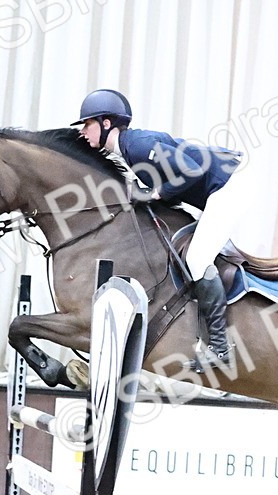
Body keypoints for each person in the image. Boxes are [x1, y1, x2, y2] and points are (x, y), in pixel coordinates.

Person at [73, 88, 244, 372]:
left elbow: (190, 169)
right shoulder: (130, 149)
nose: (83, 131)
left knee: (197, 259)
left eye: (87, 124)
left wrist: (156, 194)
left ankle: (220, 347)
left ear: (106, 124)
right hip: (225, 184)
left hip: (232, 183)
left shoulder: (137, 145)